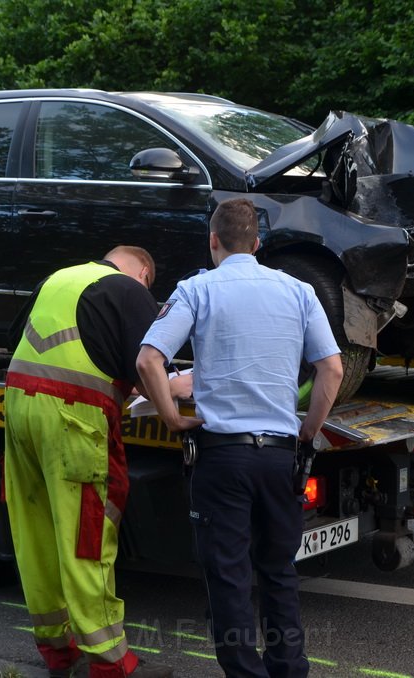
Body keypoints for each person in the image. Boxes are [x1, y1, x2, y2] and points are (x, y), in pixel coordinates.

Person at [136, 198, 344, 677]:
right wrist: (306, 432)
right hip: (278, 457)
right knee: (278, 572)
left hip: (222, 457)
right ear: (257, 244)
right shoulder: (298, 291)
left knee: (228, 577)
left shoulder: (196, 289)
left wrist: (171, 418)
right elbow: (331, 368)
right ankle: (289, 669)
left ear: (213, 241)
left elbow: (149, 360)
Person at [3, 245, 188, 678]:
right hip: (73, 417)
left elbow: (15, 340)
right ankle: (111, 663)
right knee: (87, 536)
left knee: (36, 534)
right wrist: (174, 398)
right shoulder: (131, 291)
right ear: (143, 273)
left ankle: (58, 652)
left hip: (18, 406)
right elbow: (148, 365)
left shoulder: (58, 277)